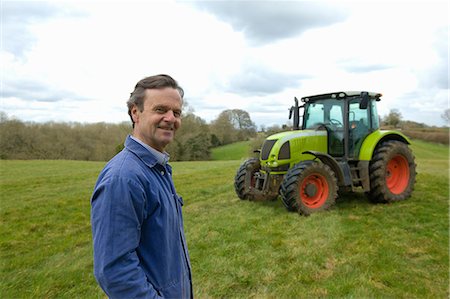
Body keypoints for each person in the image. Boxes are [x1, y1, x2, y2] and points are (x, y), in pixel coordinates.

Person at [91, 74, 192, 298]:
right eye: (160, 110)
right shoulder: (123, 178)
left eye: (176, 113)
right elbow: (115, 272)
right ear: (135, 112)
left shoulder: (157, 168)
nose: (170, 118)